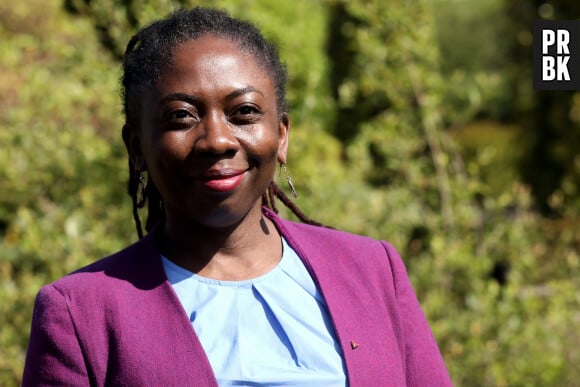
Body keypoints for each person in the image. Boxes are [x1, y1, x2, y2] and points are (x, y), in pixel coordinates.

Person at [22, 7, 452, 386]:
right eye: (181, 117)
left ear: (281, 136)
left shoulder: (373, 271)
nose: (217, 140)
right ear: (136, 147)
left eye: (243, 112)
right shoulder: (81, 314)